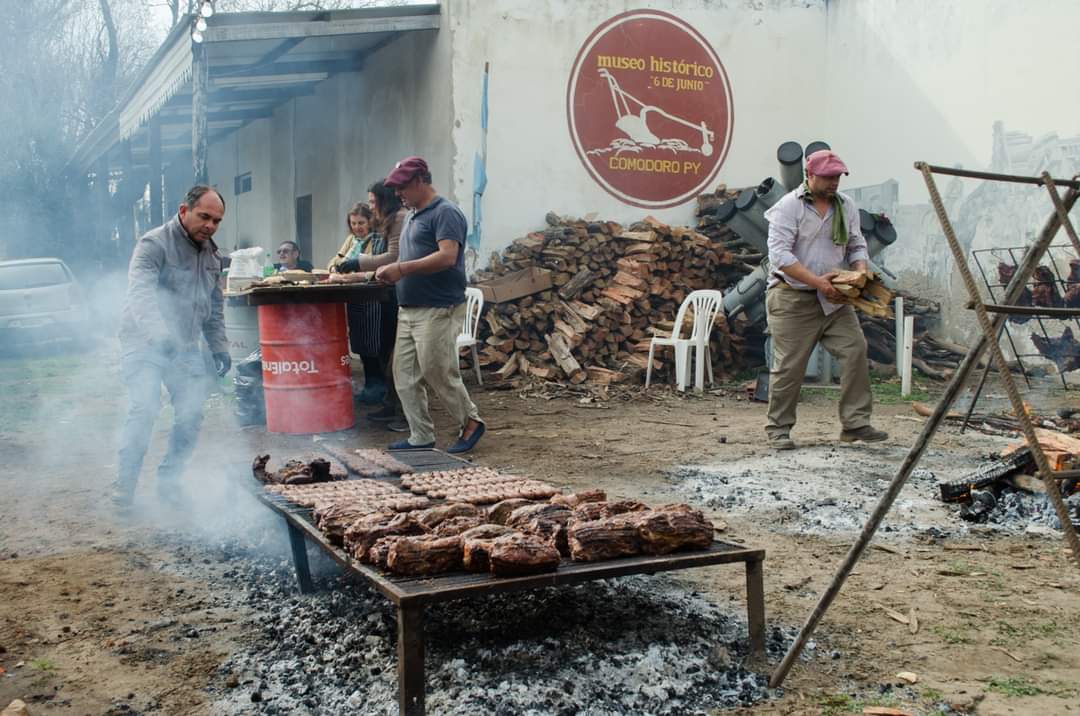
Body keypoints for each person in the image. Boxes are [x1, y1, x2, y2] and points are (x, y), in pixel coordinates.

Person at [113, 185, 231, 509]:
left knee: (191, 416)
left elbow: (213, 306)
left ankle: (169, 482)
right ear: (184, 211)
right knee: (145, 409)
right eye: (204, 217)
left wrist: (219, 347)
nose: (210, 225)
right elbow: (141, 295)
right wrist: (159, 335)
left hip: (185, 346)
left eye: (217, 221)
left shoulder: (212, 255)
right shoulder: (153, 244)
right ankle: (124, 489)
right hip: (143, 342)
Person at [762, 150, 888, 450]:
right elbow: (780, 256)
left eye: (838, 177)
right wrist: (817, 282)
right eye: (829, 177)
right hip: (793, 297)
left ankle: (855, 424)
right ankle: (778, 429)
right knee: (790, 366)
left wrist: (858, 273)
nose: (834, 183)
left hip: (835, 298)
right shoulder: (788, 207)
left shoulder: (846, 206)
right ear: (811, 175)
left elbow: (857, 245)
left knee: (855, 349)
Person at [374, 156, 485, 454]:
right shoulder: (412, 215)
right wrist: (392, 269)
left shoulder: (446, 212)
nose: (398, 193)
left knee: (437, 371)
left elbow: (448, 256)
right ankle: (420, 435)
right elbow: (410, 258)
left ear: (420, 180)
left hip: (438, 307)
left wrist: (402, 269)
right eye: (395, 188)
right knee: (405, 375)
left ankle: (471, 422)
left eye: (402, 187)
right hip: (409, 308)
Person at [334, 183, 408, 426]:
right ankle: (389, 404)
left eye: (374, 202)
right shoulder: (384, 224)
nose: (371, 206)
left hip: (396, 293)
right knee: (384, 351)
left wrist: (359, 264)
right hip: (382, 291)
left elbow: (391, 259)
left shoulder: (398, 219)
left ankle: (402, 412)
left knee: (393, 357)